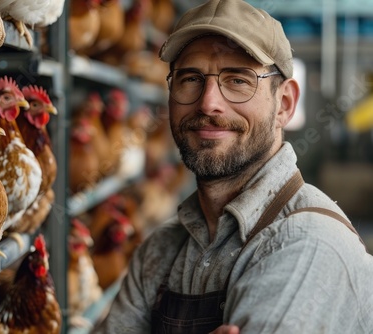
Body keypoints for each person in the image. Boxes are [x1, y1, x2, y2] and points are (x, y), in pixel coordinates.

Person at [92, 0, 373, 333]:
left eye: (238, 80)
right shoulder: (160, 251)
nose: (208, 101)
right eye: (191, 78)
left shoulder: (306, 245)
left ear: (284, 104)